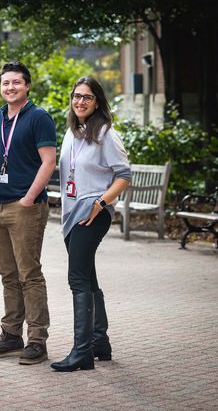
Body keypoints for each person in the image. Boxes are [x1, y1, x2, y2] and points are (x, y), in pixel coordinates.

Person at [0, 61, 57, 365]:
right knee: (8, 274)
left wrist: (28, 199)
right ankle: (11, 335)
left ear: (27, 86)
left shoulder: (39, 117)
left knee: (29, 274)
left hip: (24, 208)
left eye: (16, 83)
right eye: (5, 83)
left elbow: (48, 162)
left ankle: (37, 339)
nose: (10, 87)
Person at [51, 77, 130, 372]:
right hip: (73, 213)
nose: (80, 102)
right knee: (88, 277)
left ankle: (82, 352)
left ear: (98, 102)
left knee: (78, 279)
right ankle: (99, 342)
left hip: (93, 213)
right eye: (76, 96)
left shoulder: (106, 133)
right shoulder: (73, 132)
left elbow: (123, 175)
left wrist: (101, 203)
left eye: (87, 97)